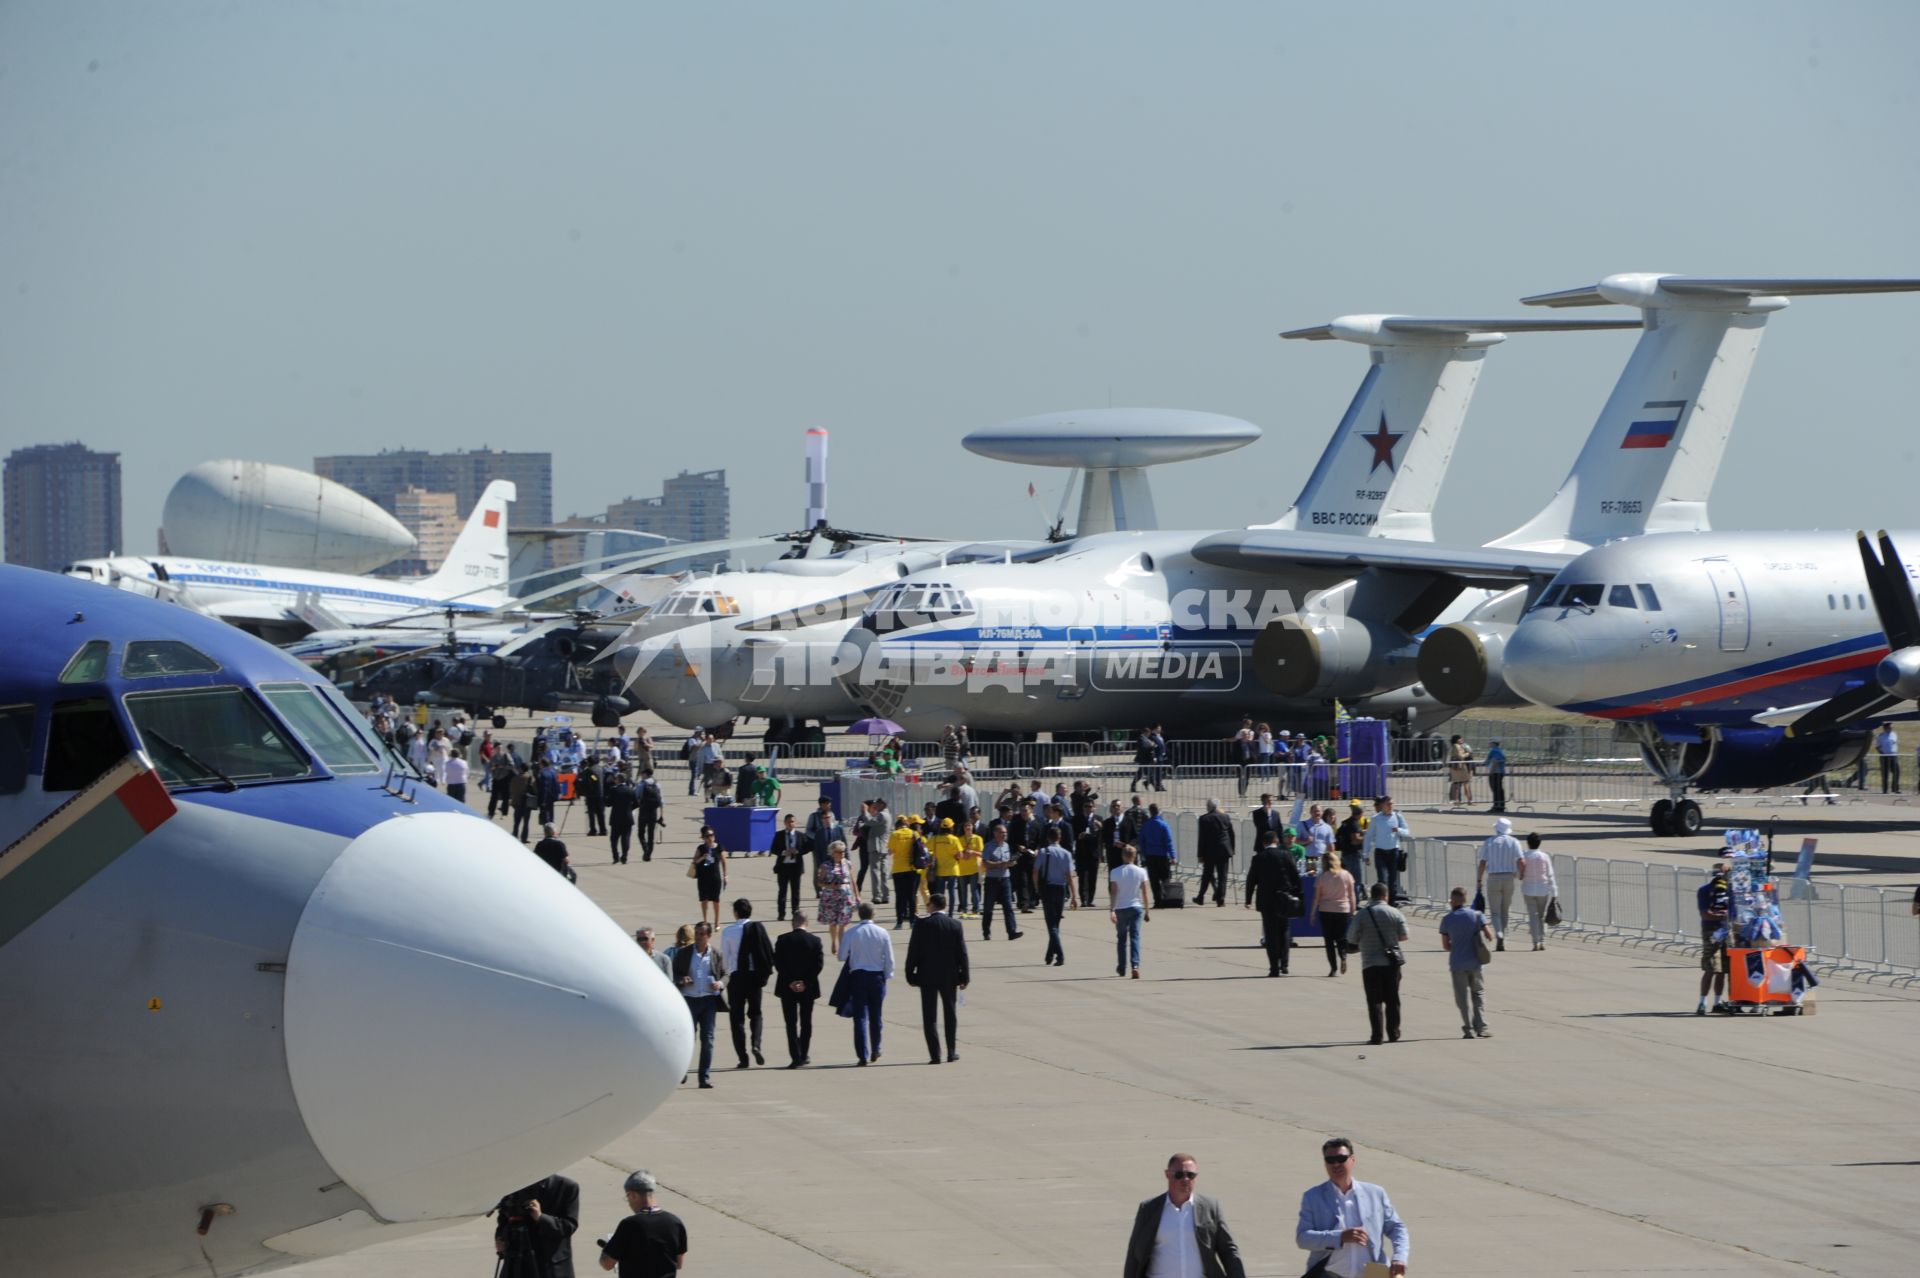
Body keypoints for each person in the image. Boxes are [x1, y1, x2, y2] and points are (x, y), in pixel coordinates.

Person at [1295, 1137, 1410, 1278]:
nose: (1336, 1164)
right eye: (1330, 1160)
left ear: (1352, 1160)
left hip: (1371, 1274)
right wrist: (1340, 1237)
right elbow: (1303, 1238)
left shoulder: (1375, 1193)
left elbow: (1397, 1228)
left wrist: (1399, 1257)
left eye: (1341, 1158)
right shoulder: (1313, 1197)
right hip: (1329, 1274)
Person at [1121, 1152, 1247, 1278]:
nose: (1185, 1179)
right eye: (1179, 1174)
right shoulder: (1149, 1209)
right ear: (1167, 1175)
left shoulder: (1209, 1208)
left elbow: (1228, 1250)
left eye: (1190, 1175)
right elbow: (1134, 1255)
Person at [904, 891, 970, 1063]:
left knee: (929, 1016)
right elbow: (962, 953)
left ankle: (935, 1055)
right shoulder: (955, 925)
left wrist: (910, 974)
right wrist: (965, 976)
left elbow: (913, 951)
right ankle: (951, 1051)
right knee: (950, 1013)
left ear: (932, 905)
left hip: (927, 976)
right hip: (950, 976)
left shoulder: (921, 925)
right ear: (945, 906)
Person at [597, 1170, 686, 1277]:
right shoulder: (675, 1222)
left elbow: (607, 1264)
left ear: (633, 1195)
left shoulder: (630, 1224)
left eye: (628, 1197)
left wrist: (607, 1250)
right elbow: (679, 1263)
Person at [721, 898, 775, 1069]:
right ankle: (756, 1044)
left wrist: (726, 975)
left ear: (736, 912)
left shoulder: (729, 931)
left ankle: (743, 1058)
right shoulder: (758, 928)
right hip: (754, 976)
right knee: (756, 1013)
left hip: (736, 977)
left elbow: (725, 958)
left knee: (736, 1018)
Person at [495, 1172, 581, 1278]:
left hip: (549, 1267)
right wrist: (500, 1238)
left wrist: (540, 1217)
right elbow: (503, 1218)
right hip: (516, 1263)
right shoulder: (514, 1185)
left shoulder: (566, 1187)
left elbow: (568, 1226)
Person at [838, 902, 894, 1064]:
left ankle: (862, 1055)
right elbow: (889, 959)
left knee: (860, 1017)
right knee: (877, 1015)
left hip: (858, 976)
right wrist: (887, 975)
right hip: (877, 977)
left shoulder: (852, 933)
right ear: (873, 915)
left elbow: (842, 956)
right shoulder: (882, 933)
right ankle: (876, 1048)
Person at [672, 922, 725, 1089]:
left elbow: (726, 974)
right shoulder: (684, 953)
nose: (699, 936)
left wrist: (720, 983)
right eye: (697, 933)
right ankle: (682, 1071)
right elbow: (675, 973)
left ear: (709, 935)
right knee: (688, 1039)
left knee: (708, 1040)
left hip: (709, 1001)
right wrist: (682, 979)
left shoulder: (715, 954)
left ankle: (704, 1077)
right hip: (690, 999)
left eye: (702, 933)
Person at [1353, 883, 1408, 1045]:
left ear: (1371, 896)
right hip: (1391, 963)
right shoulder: (1395, 913)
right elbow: (1404, 936)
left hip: (1370, 963)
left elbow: (1351, 937)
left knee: (1374, 1000)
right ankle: (1393, 1033)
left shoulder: (1362, 915)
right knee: (1392, 999)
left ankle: (1376, 1036)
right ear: (1386, 896)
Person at [1243, 831, 1303, 976]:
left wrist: (1248, 899)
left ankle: (1273, 968)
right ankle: (1284, 963)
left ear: (1264, 843)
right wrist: (1298, 895)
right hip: (1284, 899)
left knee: (1271, 934)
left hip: (1267, 900)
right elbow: (1295, 876)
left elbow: (1251, 880)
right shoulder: (1286, 855)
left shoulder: (1258, 858)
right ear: (1277, 841)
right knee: (1284, 930)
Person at [1438, 886, 1494, 1039]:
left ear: (1453, 901)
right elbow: (1490, 935)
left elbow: (1445, 945)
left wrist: (1457, 946)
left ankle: (1468, 1029)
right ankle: (1481, 1027)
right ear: (1465, 900)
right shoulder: (1477, 915)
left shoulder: (1447, 919)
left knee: (1462, 999)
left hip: (1457, 963)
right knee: (1479, 994)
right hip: (1475, 963)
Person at [773, 910, 824, 1067]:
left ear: (792, 922)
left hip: (787, 987)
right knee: (806, 1022)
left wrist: (791, 981)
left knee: (791, 1023)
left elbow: (778, 963)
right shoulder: (815, 941)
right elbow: (818, 965)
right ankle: (804, 1053)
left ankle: (795, 1056)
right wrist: (805, 982)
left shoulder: (782, 940)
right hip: (808, 988)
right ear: (806, 923)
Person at [1475, 816, 1523, 951]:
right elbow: (1520, 860)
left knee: (1495, 912)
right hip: (1509, 877)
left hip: (1493, 878)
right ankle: (1505, 935)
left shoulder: (1489, 842)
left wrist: (1479, 880)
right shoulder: (1514, 842)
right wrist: (1521, 874)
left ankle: (1499, 933)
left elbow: (1483, 863)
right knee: (1505, 910)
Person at [1032, 824, 1077, 965]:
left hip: (1048, 888)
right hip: (1061, 889)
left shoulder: (1043, 852)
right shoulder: (1066, 854)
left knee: (1051, 924)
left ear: (1048, 838)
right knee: (1055, 924)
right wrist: (1075, 896)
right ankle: (1049, 954)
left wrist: (1036, 887)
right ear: (1060, 838)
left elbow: (1035, 871)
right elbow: (1070, 876)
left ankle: (1060, 954)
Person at [1310, 851, 1358, 977]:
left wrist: (1312, 912)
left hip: (1326, 910)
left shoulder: (1322, 877)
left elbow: (1316, 897)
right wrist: (1353, 910)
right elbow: (1352, 894)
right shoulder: (1346, 875)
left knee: (1329, 941)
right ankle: (1343, 956)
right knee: (1341, 938)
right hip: (1343, 909)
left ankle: (1333, 968)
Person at [1110, 844, 1152, 979]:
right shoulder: (1141, 872)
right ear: (1134, 857)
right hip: (1136, 907)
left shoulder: (1115, 872)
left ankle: (1122, 967)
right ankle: (1135, 965)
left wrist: (1112, 910)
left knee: (1121, 939)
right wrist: (1147, 910)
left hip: (1121, 908)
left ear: (1123, 856)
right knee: (1135, 937)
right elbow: (1145, 892)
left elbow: (1114, 892)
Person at [1698, 860, 1732, 1015]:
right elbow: (1705, 914)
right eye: (1725, 873)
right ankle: (1702, 1003)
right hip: (1711, 931)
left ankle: (1717, 1002)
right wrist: (1721, 914)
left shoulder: (1729, 891)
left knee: (1723, 970)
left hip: (1726, 930)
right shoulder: (1705, 890)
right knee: (1711, 968)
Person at [979, 820, 1022, 941]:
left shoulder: (1006, 846)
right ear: (995, 833)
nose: (1004, 834)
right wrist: (1000, 864)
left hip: (1005, 879)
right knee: (988, 908)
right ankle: (986, 931)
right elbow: (985, 863)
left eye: (1005, 832)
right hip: (992, 880)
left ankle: (1012, 931)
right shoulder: (988, 846)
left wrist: (1011, 863)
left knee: (1008, 906)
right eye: (1002, 832)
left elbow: (1007, 862)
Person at [1361, 796, 1409, 904]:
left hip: (1393, 851)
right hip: (1380, 852)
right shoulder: (1376, 818)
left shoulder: (1397, 816)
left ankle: (1391, 902)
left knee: (1392, 881)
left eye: (1392, 803)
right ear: (1383, 805)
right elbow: (1368, 836)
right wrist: (1366, 854)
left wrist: (1399, 830)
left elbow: (1407, 831)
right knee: (1382, 879)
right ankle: (1381, 901)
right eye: (1388, 804)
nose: (1390, 806)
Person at [817, 840, 859, 956]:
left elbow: (853, 881)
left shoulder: (848, 863)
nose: (842, 854)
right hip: (830, 896)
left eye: (843, 851)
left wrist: (857, 896)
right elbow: (819, 882)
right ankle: (833, 941)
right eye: (839, 852)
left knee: (843, 922)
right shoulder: (825, 866)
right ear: (833, 853)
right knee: (833, 923)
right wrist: (829, 885)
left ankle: (842, 947)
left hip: (845, 896)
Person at [1517, 831, 1557, 950]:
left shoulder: (1524, 855)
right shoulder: (1544, 856)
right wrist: (1555, 891)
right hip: (1542, 889)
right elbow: (1550, 874)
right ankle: (1543, 940)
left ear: (1528, 843)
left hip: (1528, 889)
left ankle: (1535, 942)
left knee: (1533, 916)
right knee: (1541, 915)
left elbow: (1519, 871)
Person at [1196, 798, 1235, 907]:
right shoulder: (1225, 817)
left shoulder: (1204, 819)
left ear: (1209, 807)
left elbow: (1202, 838)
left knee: (1207, 874)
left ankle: (1201, 896)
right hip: (1224, 850)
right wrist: (1232, 850)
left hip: (1210, 851)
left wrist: (1200, 854)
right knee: (1223, 876)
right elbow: (1231, 834)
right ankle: (1221, 900)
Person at [887, 815, 924, 929]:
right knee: (911, 896)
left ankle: (899, 922)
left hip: (898, 869)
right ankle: (912, 921)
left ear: (898, 825)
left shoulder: (894, 834)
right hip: (911, 868)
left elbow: (890, 852)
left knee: (900, 896)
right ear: (907, 824)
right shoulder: (914, 834)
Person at [770, 812, 808, 920]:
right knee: (782, 891)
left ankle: (795, 912)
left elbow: (806, 847)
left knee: (795, 891)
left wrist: (797, 851)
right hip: (783, 867)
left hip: (796, 867)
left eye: (792, 822)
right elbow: (773, 849)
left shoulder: (800, 835)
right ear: (785, 823)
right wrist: (783, 852)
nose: (791, 824)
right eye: (788, 822)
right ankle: (781, 913)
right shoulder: (779, 835)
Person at [1138, 803, 1176, 908]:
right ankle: (1165, 899)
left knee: (1154, 880)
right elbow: (1168, 842)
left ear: (1150, 812)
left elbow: (1142, 842)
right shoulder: (1164, 825)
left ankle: (1157, 901)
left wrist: (1144, 855)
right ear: (1159, 811)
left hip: (1150, 855)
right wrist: (1173, 856)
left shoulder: (1146, 825)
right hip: (1162, 855)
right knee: (1165, 878)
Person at [691, 827, 728, 930]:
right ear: (703, 838)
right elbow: (694, 861)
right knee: (704, 900)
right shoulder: (701, 848)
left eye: (712, 835)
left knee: (716, 900)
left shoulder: (719, 847)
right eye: (708, 836)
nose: (711, 838)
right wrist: (703, 857)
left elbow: (724, 861)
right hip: (703, 878)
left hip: (715, 878)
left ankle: (717, 922)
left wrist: (725, 876)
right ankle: (705, 921)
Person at [927, 817, 965, 912]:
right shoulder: (954, 839)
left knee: (940, 894)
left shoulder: (935, 839)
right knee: (952, 892)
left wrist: (934, 855)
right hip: (953, 869)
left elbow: (927, 850)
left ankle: (940, 911)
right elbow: (960, 855)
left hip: (940, 870)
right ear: (951, 827)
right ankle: (951, 913)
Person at [806, 795, 845, 884]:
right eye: (827, 803)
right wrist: (818, 837)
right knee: (818, 867)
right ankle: (819, 888)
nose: (829, 805)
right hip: (819, 846)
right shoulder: (814, 816)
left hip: (832, 847)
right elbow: (808, 830)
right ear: (822, 804)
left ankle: (833, 883)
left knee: (833, 866)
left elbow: (834, 827)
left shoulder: (832, 815)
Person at [605, 770, 637, 864]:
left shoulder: (613, 790)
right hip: (627, 818)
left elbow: (608, 804)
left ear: (618, 780)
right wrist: (629, 809)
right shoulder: (630, 790)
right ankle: (624, 856)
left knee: (614, 839)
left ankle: (615, 856)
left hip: (616, 818)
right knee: (626, 838)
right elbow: (637, 803)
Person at [636, 768, 665, 861]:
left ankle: (646, 850)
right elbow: (661, 801)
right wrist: (662, 814)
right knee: (651, 834)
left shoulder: (642, 784)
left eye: (642, 773)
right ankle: (649, 853)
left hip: (643, 810)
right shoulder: (657, 784)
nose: (641, 774)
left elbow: (636, 796)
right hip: (653, 812)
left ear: (645, 774)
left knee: (641, 833)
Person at [578, 761, 605, 837]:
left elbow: (595, 779)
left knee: (591, 813)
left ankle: (593, 830)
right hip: (599, 795)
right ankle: (603, 829)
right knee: (600, 813)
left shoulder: (589, 771)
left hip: (592, 796)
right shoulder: (599, 769)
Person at [1447, 733, 1474, 806]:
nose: (1462, 739)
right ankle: (1465, 800)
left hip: (1458, 767)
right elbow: (1460, 756)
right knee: (1463, 783)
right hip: (1459, 767)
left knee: (1459, 784)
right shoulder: (1457, 746)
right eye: (1460, 738)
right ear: (1457, 740)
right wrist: (1468, 753)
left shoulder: (1457, 746)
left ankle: (1460, 800)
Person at [1484, 739, 1509, 813]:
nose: (1489, 743)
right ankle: (1500, 806)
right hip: (1499, 772)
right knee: (1499, 789)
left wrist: (1491, 772)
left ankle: (1497, 806)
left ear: (1493, 743)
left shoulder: (1494, 751)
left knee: (1496, 790)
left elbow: (1495, 761)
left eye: (1490, 742)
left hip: (1496, 772)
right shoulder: (1500, 750)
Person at [1877, 721, 1901, 793]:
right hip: (1885, 756)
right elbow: (1878, 747)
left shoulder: (1894, 734)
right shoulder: (1880, 736)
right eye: (1889, 726)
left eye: (1891, 726)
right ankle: (1885, 789)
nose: (1891, 727)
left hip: (1893, 755)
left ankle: (1895, 788)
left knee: (1897, 772)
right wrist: (1882, 754)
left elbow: (1895, 744)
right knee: (1885, 773)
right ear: (1885, 727)